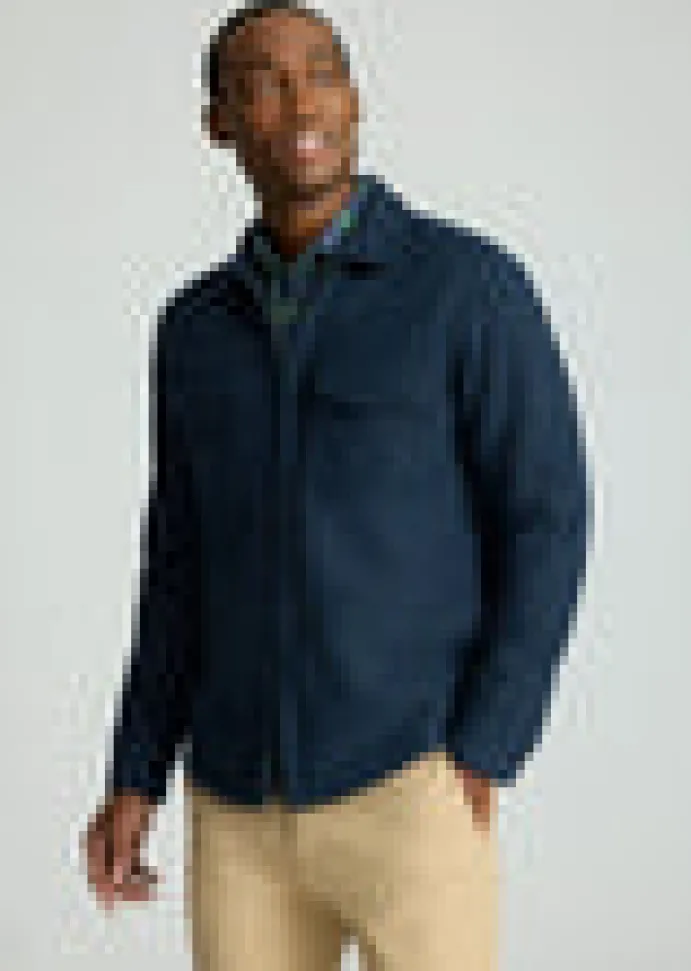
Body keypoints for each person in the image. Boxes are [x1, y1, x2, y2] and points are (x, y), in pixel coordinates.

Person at [82, 2, 593, 968]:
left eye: (322, 73)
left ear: (354, 99)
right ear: (219, 123)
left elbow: (547, 516)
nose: (302, 101)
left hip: (410, 782)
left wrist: (488, 742)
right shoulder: (194, 329)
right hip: (238, 806)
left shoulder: (467, 289)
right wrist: (135, 769)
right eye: (264, 83)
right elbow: (178, 565)